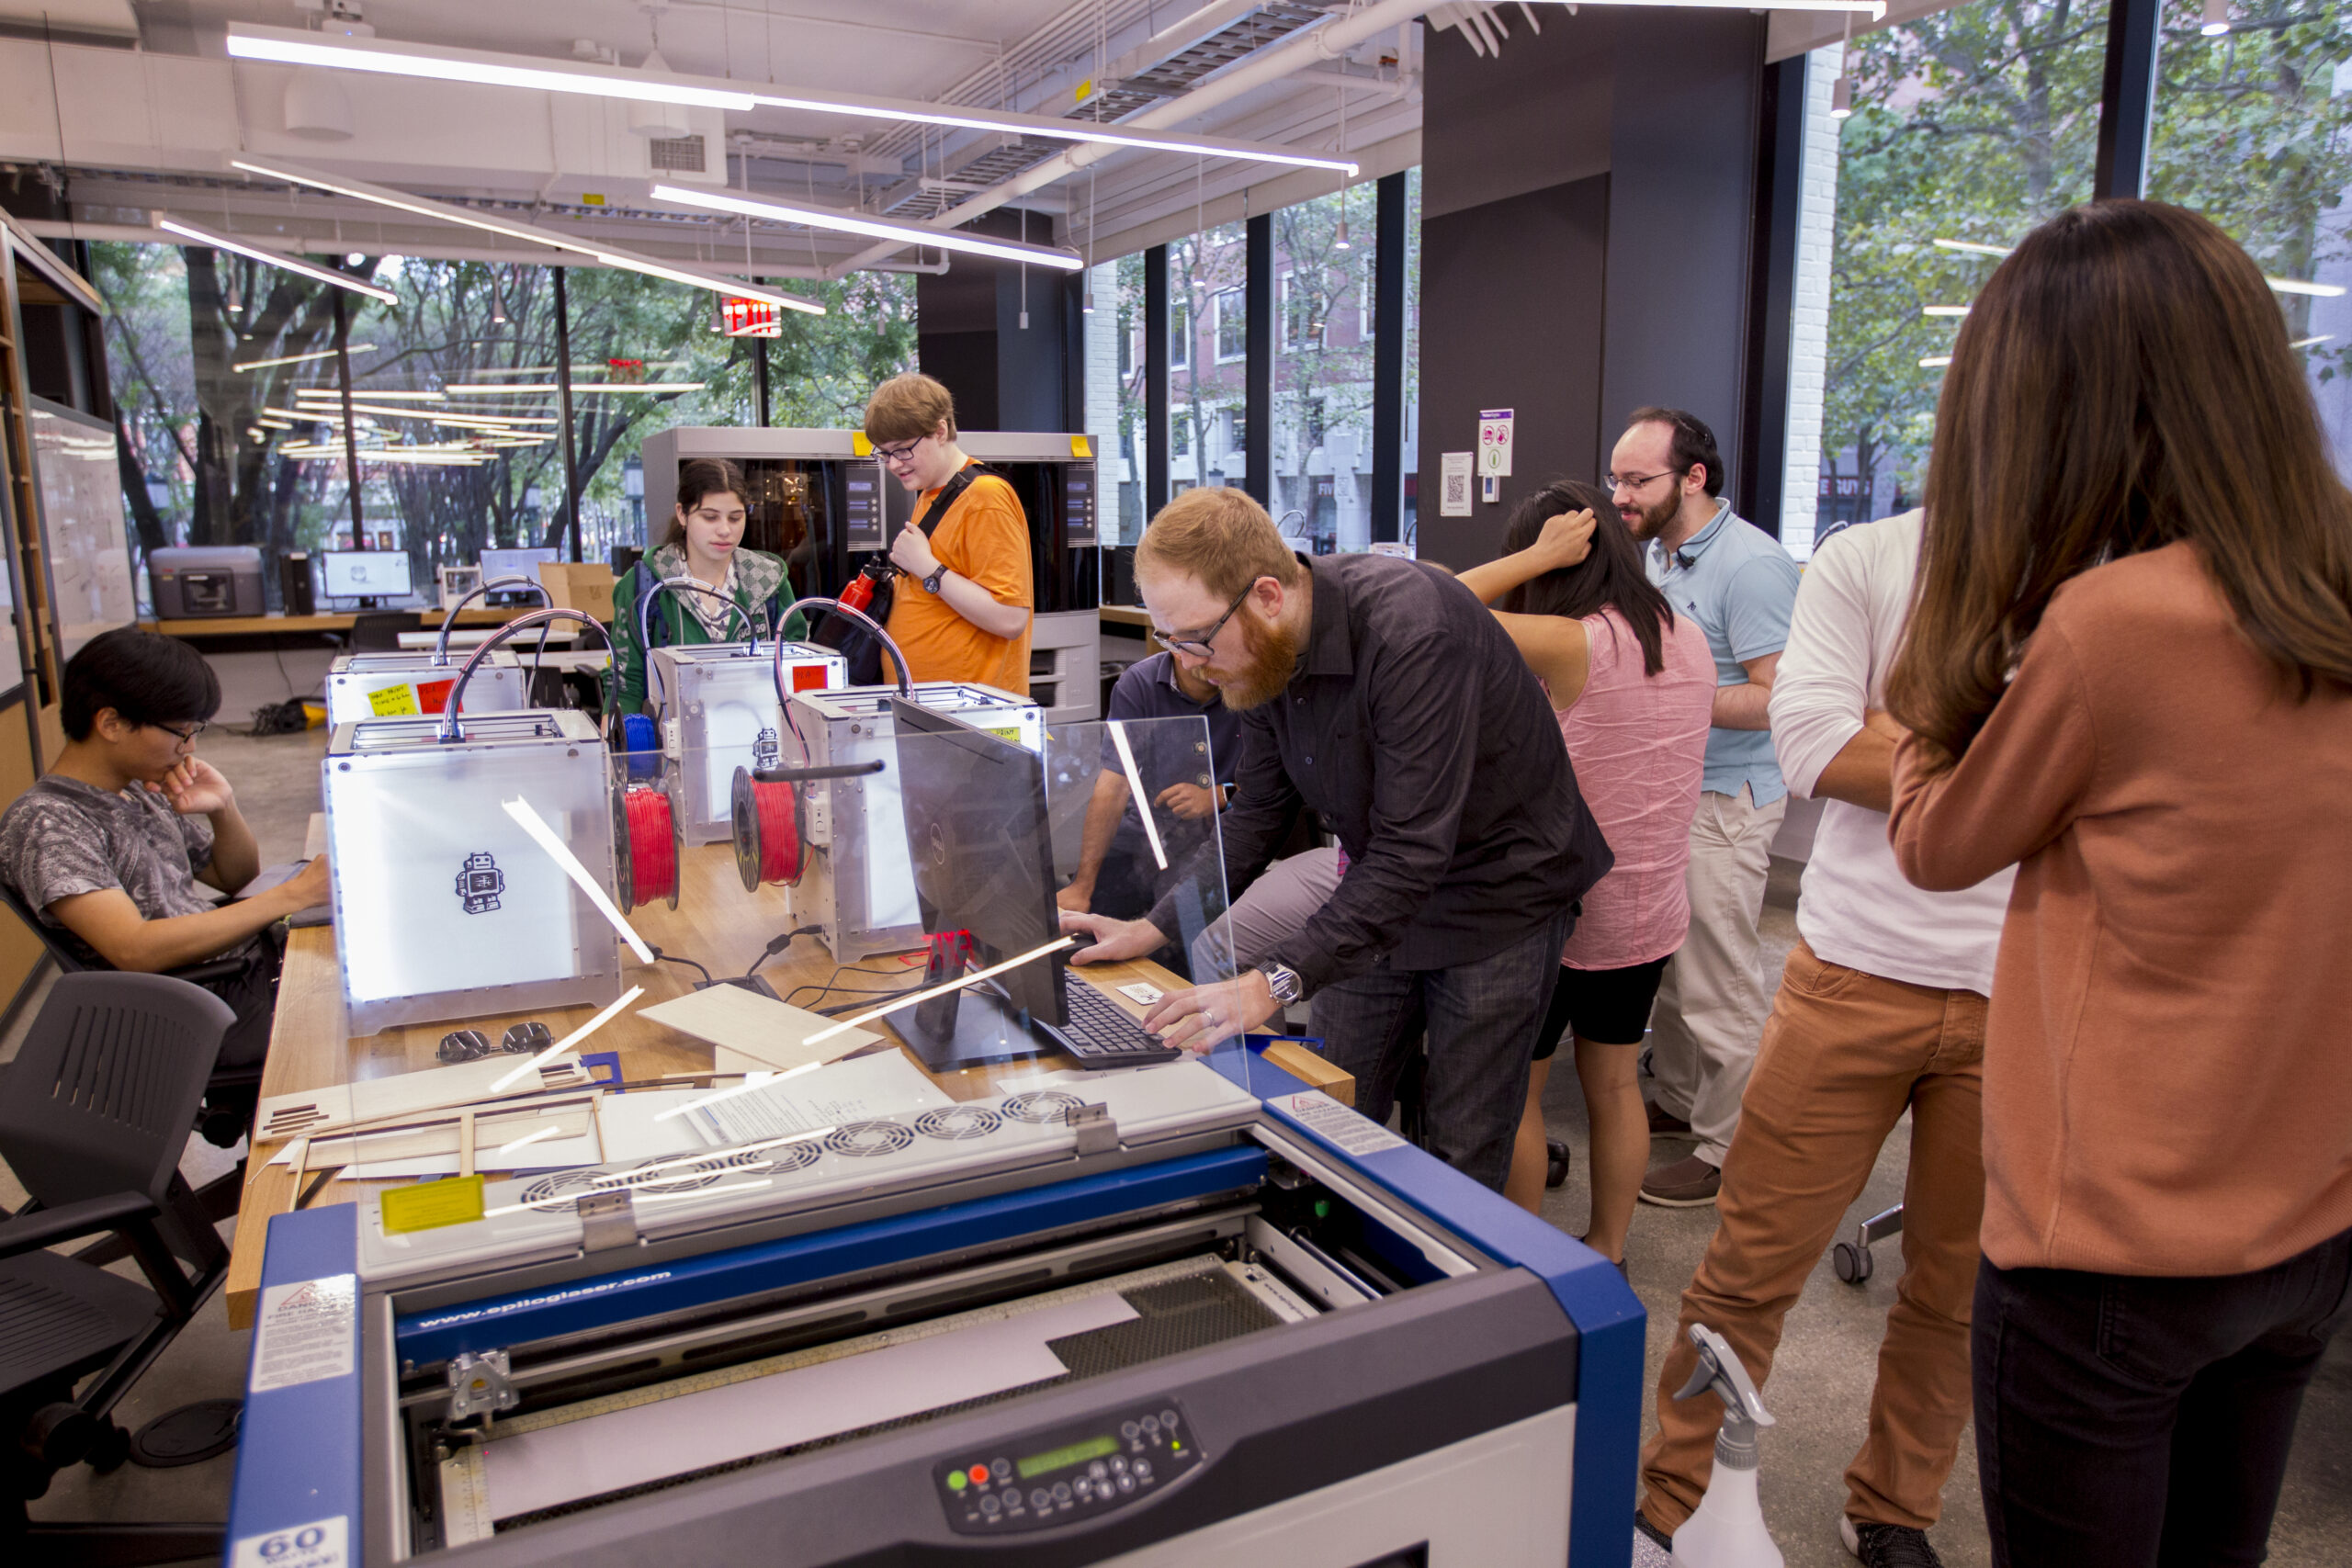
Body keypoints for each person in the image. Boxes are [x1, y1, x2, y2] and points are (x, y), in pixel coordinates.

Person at [1885, 200, 2352, 1567]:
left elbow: (1936, 837)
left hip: (2108, 1253)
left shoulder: (2114, 624)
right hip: (2305, 1224)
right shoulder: (2327, 585)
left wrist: (1953, 647)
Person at [1637, 508, 2013, 1568]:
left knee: (1952, 1290)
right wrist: (2040, 754)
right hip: (1854, 972)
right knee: (1747, 1267)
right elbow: (1810, 746)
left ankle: (1892, 1508)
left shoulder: (2107, 581)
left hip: (2020, 989)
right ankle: (1678, 1492)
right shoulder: (1872, 556)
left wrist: (1907, 735)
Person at [1062, 487, 1613, 1193]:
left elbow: (1413, 850)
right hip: (1381, 890)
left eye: (1195, 638)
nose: (1191, 663)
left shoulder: (1414, 632)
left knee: (1461, 1148)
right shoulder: (1257, 654)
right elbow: (1257, 814)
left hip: (1499, 898)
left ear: (1266, 594)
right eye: (1170, 640)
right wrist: (1152, 927)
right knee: (1324, 1108)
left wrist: (1272, 980)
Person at [1454, 480, 1715, 1237]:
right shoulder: (1684, 633)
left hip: (1561, 908)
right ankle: (1606, 1249)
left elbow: (1434, 604)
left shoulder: (1577, 641)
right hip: (1651, 903)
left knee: (1520, 1091)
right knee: (1613, 1083)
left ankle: (1526, 1255)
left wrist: (1532, 554)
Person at [1612, 406, 1802, 1207]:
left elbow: (1777, 697)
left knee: (1719, 979)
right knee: (1672, 970)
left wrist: (1672, 694)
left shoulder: (1752, 566)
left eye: (1636, 480)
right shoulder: (1660, 555)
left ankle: (1733, 1147)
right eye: (1616, 477)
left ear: (1692, 477)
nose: (1620, 493)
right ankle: (1685, 1101)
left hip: (1728, 796)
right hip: (1672, 788)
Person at [0, 627, 332, 1075]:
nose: (190, 747)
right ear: (111, 723)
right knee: (364, 1000)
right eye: (181, 732)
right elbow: (135, 949)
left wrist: (223, 807)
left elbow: (234, 877)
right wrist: (291, 897)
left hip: (235, 972)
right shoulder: (47, 823)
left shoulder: (135, 790)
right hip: (192, 1011)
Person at [861, 373, 1034, 694]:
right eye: (884, 454)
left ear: (940, 431)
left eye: (902, 450)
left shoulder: (986, 498)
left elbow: (1010, 619)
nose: (894, 465)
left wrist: (928, 568)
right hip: (933, 707)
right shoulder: (932, 493)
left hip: (972, 711)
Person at [1057, 649, 1241, 932]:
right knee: (1093, 911)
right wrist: (1082, 886)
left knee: (1180, 916)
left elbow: (1279, 786)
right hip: (1150, 829)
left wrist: (1220, 795)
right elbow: (1113, 786)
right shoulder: (1139, 683)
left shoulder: (1251, 679)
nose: (1201, 655)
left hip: (1222, 831)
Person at [609, 457, 808, 714]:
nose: (725, 530)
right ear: (682, 514)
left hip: (761, 737)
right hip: (673, 743)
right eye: (710, 517)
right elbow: (625, 686)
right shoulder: (643, 587)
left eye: (735, 518)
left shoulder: (769, 582)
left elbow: (799, 674)